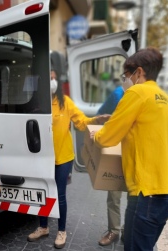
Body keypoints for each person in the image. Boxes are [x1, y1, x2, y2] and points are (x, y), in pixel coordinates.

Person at [91, 47, 168, 251]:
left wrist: (96, 135)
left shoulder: (137, 91)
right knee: (139, 243)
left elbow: (107, 137)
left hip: (148, 193)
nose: (124, 80)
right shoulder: (167, 100)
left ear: (138, 72)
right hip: (167, 192)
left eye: (125, 75)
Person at [27, 69, 110, 249]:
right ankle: (43, 227)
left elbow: (81, 121)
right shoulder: (36, 103)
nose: (53, 81)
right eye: (50, 78)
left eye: (55, 78)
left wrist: (97, 119)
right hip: (41, 156)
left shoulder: (65, 103)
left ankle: (61, 231)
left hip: (63, 157)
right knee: (43, 193)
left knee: (59, 195)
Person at [97, 83, 125, 246]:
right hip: (116, 151)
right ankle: (114, 231)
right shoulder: (117, 94)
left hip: (138, 153)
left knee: (135, 196)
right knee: (114, 195)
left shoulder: (147, 97)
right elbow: (101, 114)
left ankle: (128, 230)